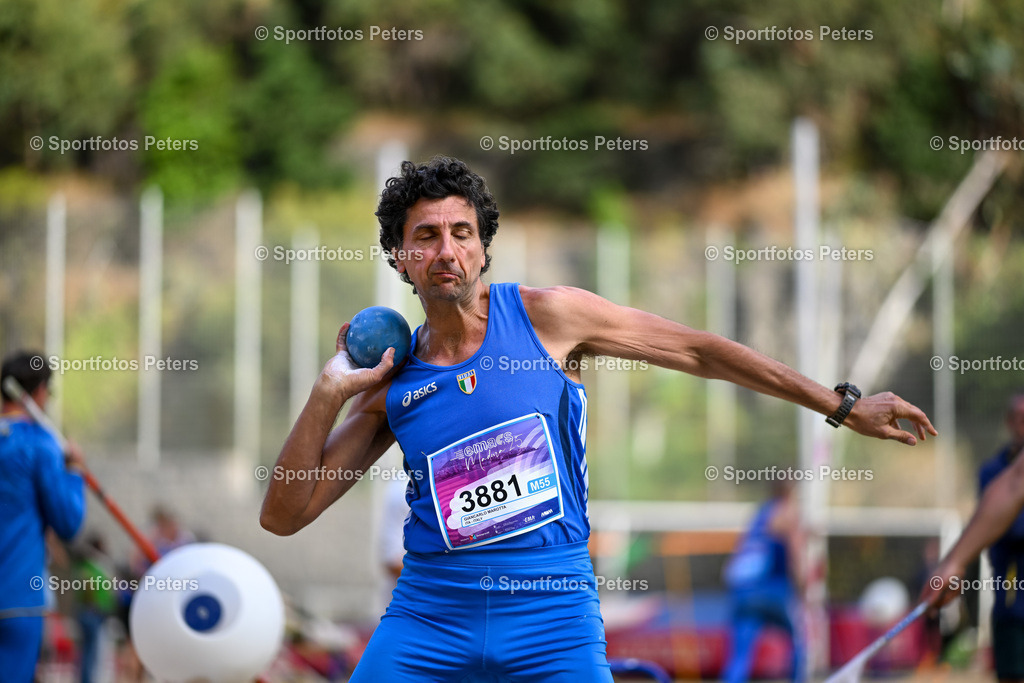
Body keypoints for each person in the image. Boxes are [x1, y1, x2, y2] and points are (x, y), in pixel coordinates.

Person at [260, 156, 937, 681]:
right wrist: (328, 390)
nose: (447, 251)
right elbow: (284, 514)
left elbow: (700, 350)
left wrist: (842, 404)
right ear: (401, 258)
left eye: (461, 233)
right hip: (431, 613)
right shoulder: (396, 380)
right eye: (426, 237)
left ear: (483, 246)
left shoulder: (549, 317)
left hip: (552, 611)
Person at [0, 350, 86, 683]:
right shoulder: (41, 445)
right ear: (38, 392)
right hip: (18, 598)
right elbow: (68, 523)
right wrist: (74, 471)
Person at [925, 394, 1024, 683]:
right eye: (1017, 418)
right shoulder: (993, 472)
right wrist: (953, 563)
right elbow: (1000, 513)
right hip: (1010, 583)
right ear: (1009, 422)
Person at [722, 480, 805, 683]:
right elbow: (796, 556)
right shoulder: (787, 513)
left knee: (740, 657)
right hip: (774, 591)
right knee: (799, 644)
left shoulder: (759, 515)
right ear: (792, 490)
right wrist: (802, 585)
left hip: (743, 592)